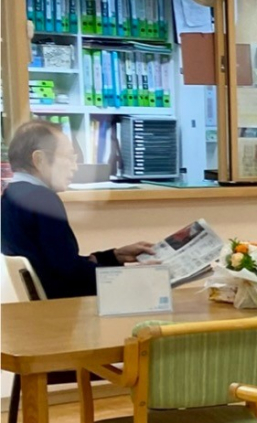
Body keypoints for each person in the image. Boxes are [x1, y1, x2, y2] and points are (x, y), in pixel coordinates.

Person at [2, 120, 151, 297]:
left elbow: (60, 262)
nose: (74, 167)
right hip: (64, 305)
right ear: (39, 160)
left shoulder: (9, 197)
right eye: (68, 158)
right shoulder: (43, 200)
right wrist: (134, 276)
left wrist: (114, 256)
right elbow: (71, 273)